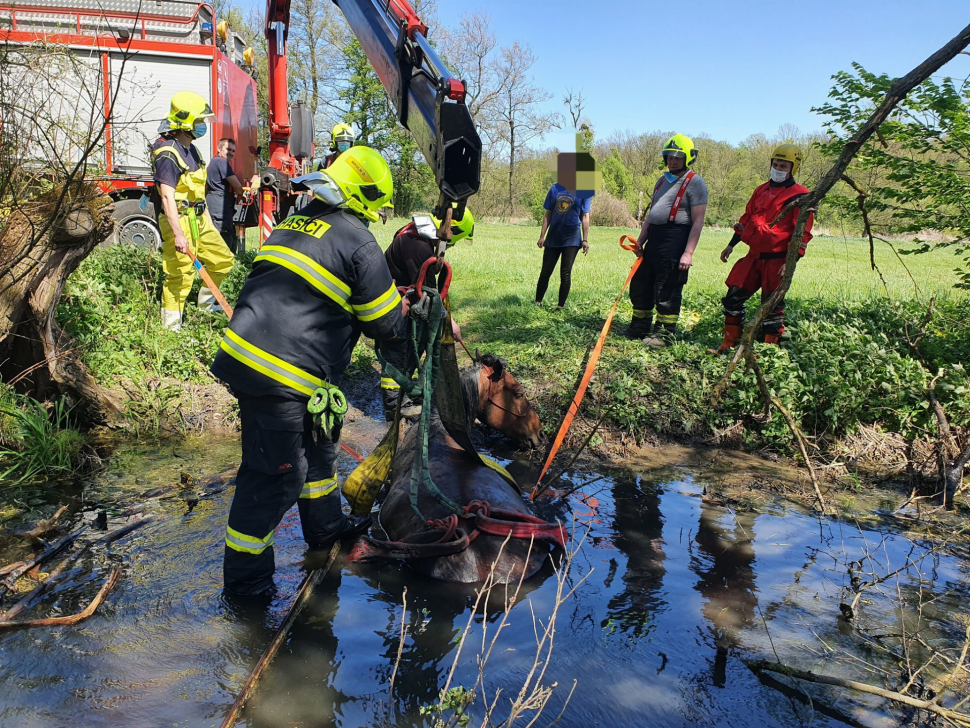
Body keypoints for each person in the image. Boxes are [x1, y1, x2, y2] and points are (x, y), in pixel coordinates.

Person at [209, 146, 405, 596]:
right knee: (273, 480)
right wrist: (412, 311)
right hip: (281, 375)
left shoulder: (294, 221)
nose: (377, 215)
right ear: (365, 196)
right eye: (376, 205)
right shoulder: (358, 241)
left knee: (318, 454)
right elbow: (388, 325)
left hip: (253, 361)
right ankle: (247, 590)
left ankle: (327, 530)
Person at [713, 144, 814, 353]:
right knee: (733, 296)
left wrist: (790, 262)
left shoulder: (801, 195)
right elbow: (747, 219)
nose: (778, 168)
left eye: (783, 165)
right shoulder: (761, 190)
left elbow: (802, 233)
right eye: (775, 164)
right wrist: (731, 244)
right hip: (754, 257)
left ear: (793, 168)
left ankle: (769, 351)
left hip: (778, 259)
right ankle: (730, 343)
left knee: (772, 306)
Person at [378, 207, 475, 420]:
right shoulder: (420, 249)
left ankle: (403, 394)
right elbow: (431, 295)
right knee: (398, 351)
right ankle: (394, 405)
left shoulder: (413, 231)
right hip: (393, 305)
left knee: (407, 350)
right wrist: (452, 323)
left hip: (398, 297)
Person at [152, 91, 235, 332]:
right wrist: (178, 233)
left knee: (223, 260)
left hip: (199, 218)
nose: (203, 126)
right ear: (186, 122)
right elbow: (167, 197)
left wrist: (208, 222)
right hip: (178, 219)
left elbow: (199, 192)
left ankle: (207, 305)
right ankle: (171, 327)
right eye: (200, 121)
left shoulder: (194, 152)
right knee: (180, 273)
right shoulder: (168, 154)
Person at [624, 133, 708, 346]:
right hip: (655, 238)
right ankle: (639, 327)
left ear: (688, 158)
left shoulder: (695, 183)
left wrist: (688, 252)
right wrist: (640, 241)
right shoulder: (662, 180)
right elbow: (652, 216)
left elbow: (698, 221)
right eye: (669, 157)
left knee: (666, 287)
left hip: (676, 239)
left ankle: (664, 334)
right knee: (641, 283)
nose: (672, 161)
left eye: (677, 157)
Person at [535, 181, 591, 309]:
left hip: (572, 237)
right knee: (546, 271)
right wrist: (542, 236)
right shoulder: (555, 188)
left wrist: (585, 239)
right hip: (554, 235)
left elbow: (585, 216)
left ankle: (560, 306)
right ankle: (537, 302)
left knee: (565, 272)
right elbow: (547, 214)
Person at [205, 137, 258, 253]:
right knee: (223, 238)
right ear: (219, 148)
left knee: (223, 235)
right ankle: (224, 265)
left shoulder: (214, 161)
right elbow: (237, 185)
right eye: (228, 149)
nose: (231, 153)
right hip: (220, 206)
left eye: (233, 151)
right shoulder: (221, 162)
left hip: (217, 203)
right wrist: (242, 195)